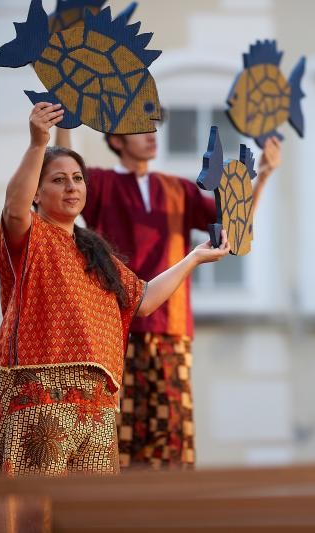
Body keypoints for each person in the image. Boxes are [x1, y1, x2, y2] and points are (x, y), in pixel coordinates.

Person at [0, 103, 229, 478]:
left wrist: (193, 258)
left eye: (78, 178)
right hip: (39, 397)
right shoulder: (30, 235)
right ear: (36, 192)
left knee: (89, 513)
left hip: (97, 404)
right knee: (34, 508)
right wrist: (38, 144)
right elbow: (14, 209)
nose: (71, 187)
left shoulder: (94, 249)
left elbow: (144, 299)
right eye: (58, 179)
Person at [55, 125, 281, 469]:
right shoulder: (99, 183)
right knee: (117, 437)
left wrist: (262, 177)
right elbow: (62, 173)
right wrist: (63, 125)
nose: (151, 135)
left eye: (153, 128)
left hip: (171, 329)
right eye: (140, 130)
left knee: (173, 437)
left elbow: (235, 225)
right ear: (117, 140)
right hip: (115, 330)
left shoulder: (178, 189)